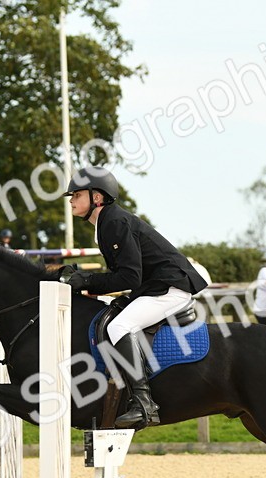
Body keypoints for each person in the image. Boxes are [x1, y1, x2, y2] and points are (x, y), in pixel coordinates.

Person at [62, 167, 208, 429]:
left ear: (97, 197)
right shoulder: (106, 223)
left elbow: (129, 277)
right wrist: (87, 282)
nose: (72, 200)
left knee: (119, 326)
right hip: (156, 286)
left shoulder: (114, 223)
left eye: (77, 194)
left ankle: (143, 403)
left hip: (170, 287)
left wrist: (87, 280)